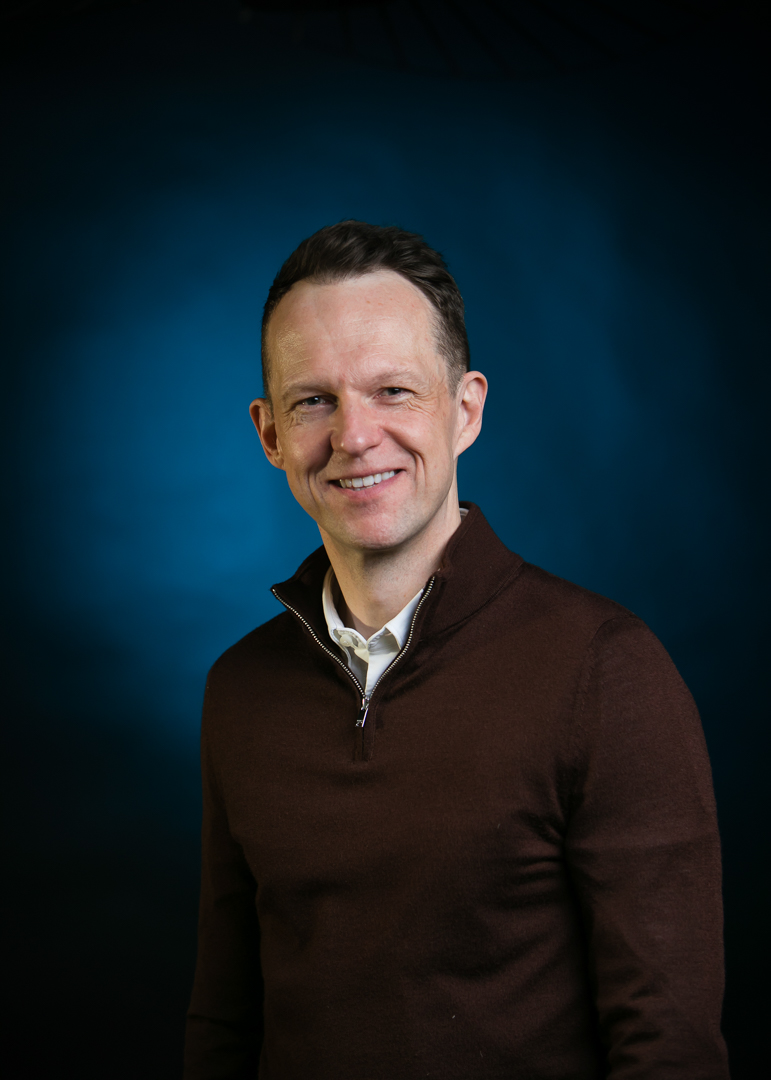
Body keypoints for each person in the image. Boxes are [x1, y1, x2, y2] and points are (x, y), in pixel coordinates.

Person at [183, 221, 729, 1079]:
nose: (355, 435)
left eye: (393, 390)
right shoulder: (240, 689)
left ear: (465, 409)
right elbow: (224, 1021)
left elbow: (669, 1049)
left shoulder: (605, 670)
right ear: (270, 433)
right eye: (314, 400)